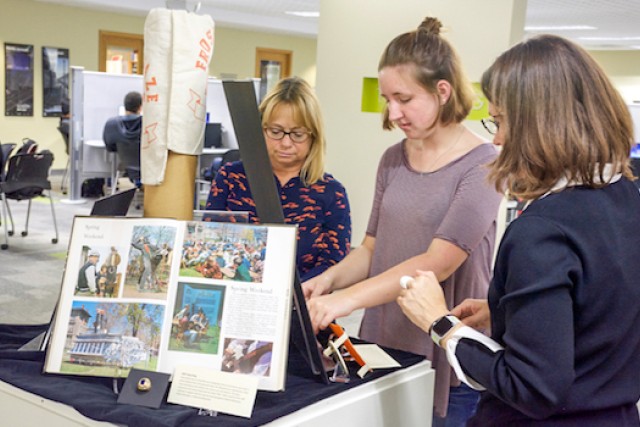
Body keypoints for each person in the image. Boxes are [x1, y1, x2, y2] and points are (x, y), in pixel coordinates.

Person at [397, 35, 640, 426]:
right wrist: (506, 315)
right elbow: (600, 312)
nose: (497, 138)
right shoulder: (627, 196)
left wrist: (439, 323)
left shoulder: (542, 230)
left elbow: (533, 387)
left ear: (540, 123)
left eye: (502, 121)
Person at [303, 17, 503, 424]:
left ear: (442, 91)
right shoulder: (393, 158)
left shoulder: (483, 163)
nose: (393, 112)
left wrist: (344, 300)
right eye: (387, 99)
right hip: (384, 342)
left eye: (404, 98)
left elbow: (437, 262)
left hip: (447, 352)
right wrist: (330, 280)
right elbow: (372, 248)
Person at [206, 76, 352, 282]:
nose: (285, 143)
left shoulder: (331, 192)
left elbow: (334, 263)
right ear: (261, 130)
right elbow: (210, 240)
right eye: (275, 132)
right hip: (239, 298)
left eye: (298, 134)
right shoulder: (230, 178)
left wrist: (289, 295)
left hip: (305, 305)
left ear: (313, 137)